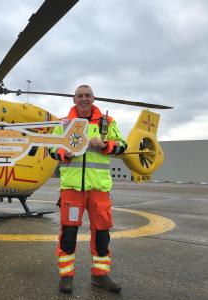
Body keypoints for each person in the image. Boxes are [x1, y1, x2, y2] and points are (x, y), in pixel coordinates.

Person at [50, 84, 126, 294]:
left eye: (87, 95)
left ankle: (100, 276)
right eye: (80, 96)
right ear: (74, 99)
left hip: (99, 189)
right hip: (72, 189)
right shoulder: (64, 124)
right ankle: (66, 276)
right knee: (68, 234)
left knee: (102, 234)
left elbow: (122, 146)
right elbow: (51, 150)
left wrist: (104, 145)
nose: (83, 99)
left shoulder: (107, 122)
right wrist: (65, 153)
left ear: (93, 98)